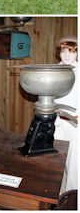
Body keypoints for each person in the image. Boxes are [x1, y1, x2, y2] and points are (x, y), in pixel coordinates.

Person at [55, 35, 77, 193]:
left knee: (74, 163)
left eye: (71, 51)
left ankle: (71, 198)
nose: (67, 55)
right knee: (56, 158)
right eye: (63, 51)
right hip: (57, 121)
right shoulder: (56, 69)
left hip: (75, 124)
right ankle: (54, 192)